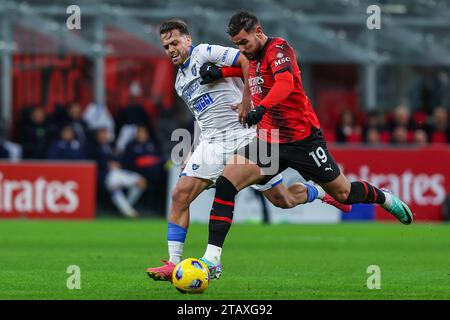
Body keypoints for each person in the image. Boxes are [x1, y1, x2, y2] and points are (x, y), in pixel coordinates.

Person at [197, 11, 414, 278]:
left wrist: (261, 107)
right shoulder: (251, 57)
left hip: (303, 140)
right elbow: (244, 69)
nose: (242, 49)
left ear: (258, 31)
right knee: (226, 183)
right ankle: (212, 260)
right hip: (270, 140)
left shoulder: (279, 49)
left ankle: (383, 197)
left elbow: (285, 83)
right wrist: (218, 72)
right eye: (237, 44)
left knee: (343, 193)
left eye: (244, 42)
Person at [146, 19, 351, 282]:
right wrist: (193, 149)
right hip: (211, 143)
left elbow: (247, 62)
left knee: (283, 200)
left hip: (246, 137)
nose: (171, 49)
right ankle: (173, 263)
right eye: (165, 46)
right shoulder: (179, 82)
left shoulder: (206, 52)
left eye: (175, 42)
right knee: (179, 195)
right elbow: (203, 117)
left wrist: (247, 102)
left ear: (188, 39)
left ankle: (318, 192)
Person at [86, 127, 147, 218]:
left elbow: (120, 159)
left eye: (105, 134)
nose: (104, 136)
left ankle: (125, 207)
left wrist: (117, 164)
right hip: (105, 175)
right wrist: (107, 164)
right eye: (102, 134)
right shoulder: (91, 147)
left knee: (141, 182)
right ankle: (128, 212)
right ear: (97, 136)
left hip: (118, 172)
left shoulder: (111, 146)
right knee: (114, 185)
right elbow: (91, 162)